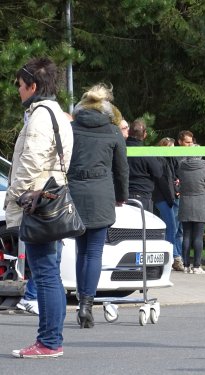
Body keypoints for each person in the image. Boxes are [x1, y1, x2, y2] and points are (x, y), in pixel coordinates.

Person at [6, 57, 73, 358]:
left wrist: (18, 195)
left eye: (20, 86)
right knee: (50, 273)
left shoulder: (39, 116)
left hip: (36, 202)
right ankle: (51, 340)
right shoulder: (58, 113)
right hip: (52, 198)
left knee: (43, 273)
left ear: (33, 86)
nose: (18, 91)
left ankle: (48, 342)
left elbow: (30, 161)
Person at [68, 84, 129, 328]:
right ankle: (86, 306)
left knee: (80, 251)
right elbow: (121, 169)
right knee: (94, 252)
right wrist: (121, 196)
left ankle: (81, 302)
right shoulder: (113, 131)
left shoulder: (71, 128)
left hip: (73, 193)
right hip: (101, 194)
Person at [177, 152, 205, 274]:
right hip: (200, 204)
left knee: (186, 235)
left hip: (185, 203)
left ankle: (186, 265)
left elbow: (179, 185)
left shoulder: (182, 168)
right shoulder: (204, 169)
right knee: (198, 237)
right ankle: (197, 266)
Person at [153, 137, 184, 271]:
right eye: (170, 147)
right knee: (170, 227)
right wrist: (171, 198)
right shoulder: (160, 161)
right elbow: (163, 182)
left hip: (171, 197)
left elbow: (174, 176)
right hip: (164, 198)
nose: (172, 150)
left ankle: (174, 257)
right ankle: (171, 257)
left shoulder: (171, 160)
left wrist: (177, 181)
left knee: (174, 228)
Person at [126, 119, 163, 212]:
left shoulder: (119, 149)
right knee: (143, 225)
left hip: (120, 196)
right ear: (145, 134)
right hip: (142, 197)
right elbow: (158, 173)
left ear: (129, 132)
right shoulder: (146, 152)